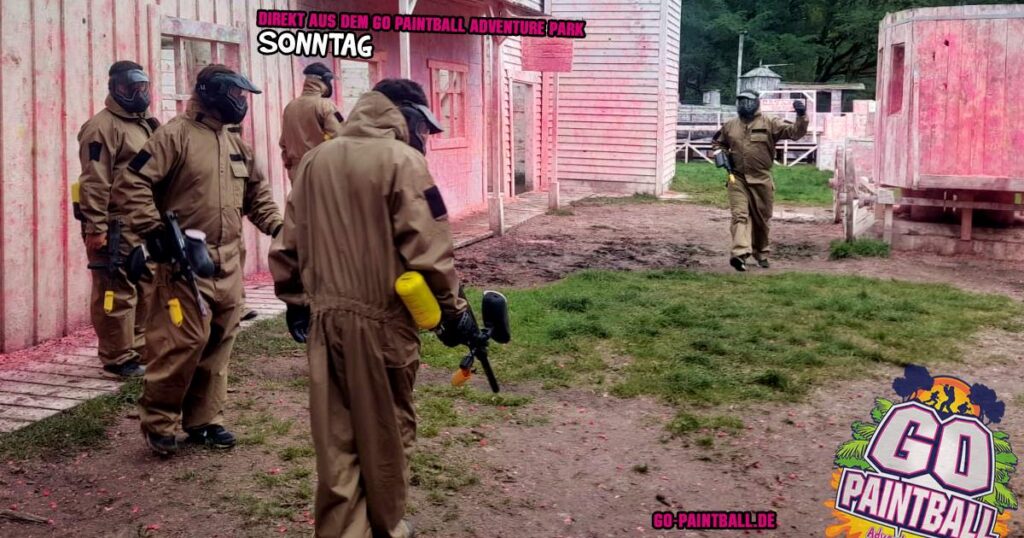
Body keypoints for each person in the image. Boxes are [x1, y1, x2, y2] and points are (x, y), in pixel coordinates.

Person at [270, 79, 474, 538]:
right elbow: (428, 251)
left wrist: (296, 302)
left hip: (325, 322)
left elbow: (288, 243)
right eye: (423, 125)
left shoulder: (315, 161)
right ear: (404, 114)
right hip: (383, 324)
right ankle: (386, 527)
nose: (424, 136)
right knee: (385, 433)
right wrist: (454, 310)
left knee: (336, 439)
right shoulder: (404, 162)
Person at [110, 64, 283, 456]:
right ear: (212, 93)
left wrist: (279, 227)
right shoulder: (175, 135)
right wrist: (152, 230)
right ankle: (159, 423)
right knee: (181, 342)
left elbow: (257, 196)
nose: (241, 102)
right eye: (236, 95)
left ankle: (204, 422)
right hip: (183, 263)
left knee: (220, 341)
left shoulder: (236, 144)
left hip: (228, 263)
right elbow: (131, 182)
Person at [75, 61, 159, 378]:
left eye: (142, 87)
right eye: (129, 88)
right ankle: (117, 357)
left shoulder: (145, 123)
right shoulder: (102, 127)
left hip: (143, 219)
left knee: (147, 285)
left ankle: (139, 348)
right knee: (116, 289)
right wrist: (95, 227)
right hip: (115, 224)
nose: (138, 94)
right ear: (114, 88)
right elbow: (94, 181)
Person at [713, 89, 808, 271]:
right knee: (739, 215)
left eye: (748, 101)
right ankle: (740, 254)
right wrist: (721, 156)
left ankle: (761, 253)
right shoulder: (730, 125)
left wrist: (801, 116)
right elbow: (718, 143)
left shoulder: (770, 122)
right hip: (737, 178)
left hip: (761, 178)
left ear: (756, 103)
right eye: (741, 101)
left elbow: (795, 133)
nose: (745, 105)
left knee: (761, 219)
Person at [279, 62, 344, 183]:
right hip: (320, 169)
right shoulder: (326, 105)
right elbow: (339, 136)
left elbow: (284, 143)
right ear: (324, 81)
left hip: (296, 171)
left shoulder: (290, 107)